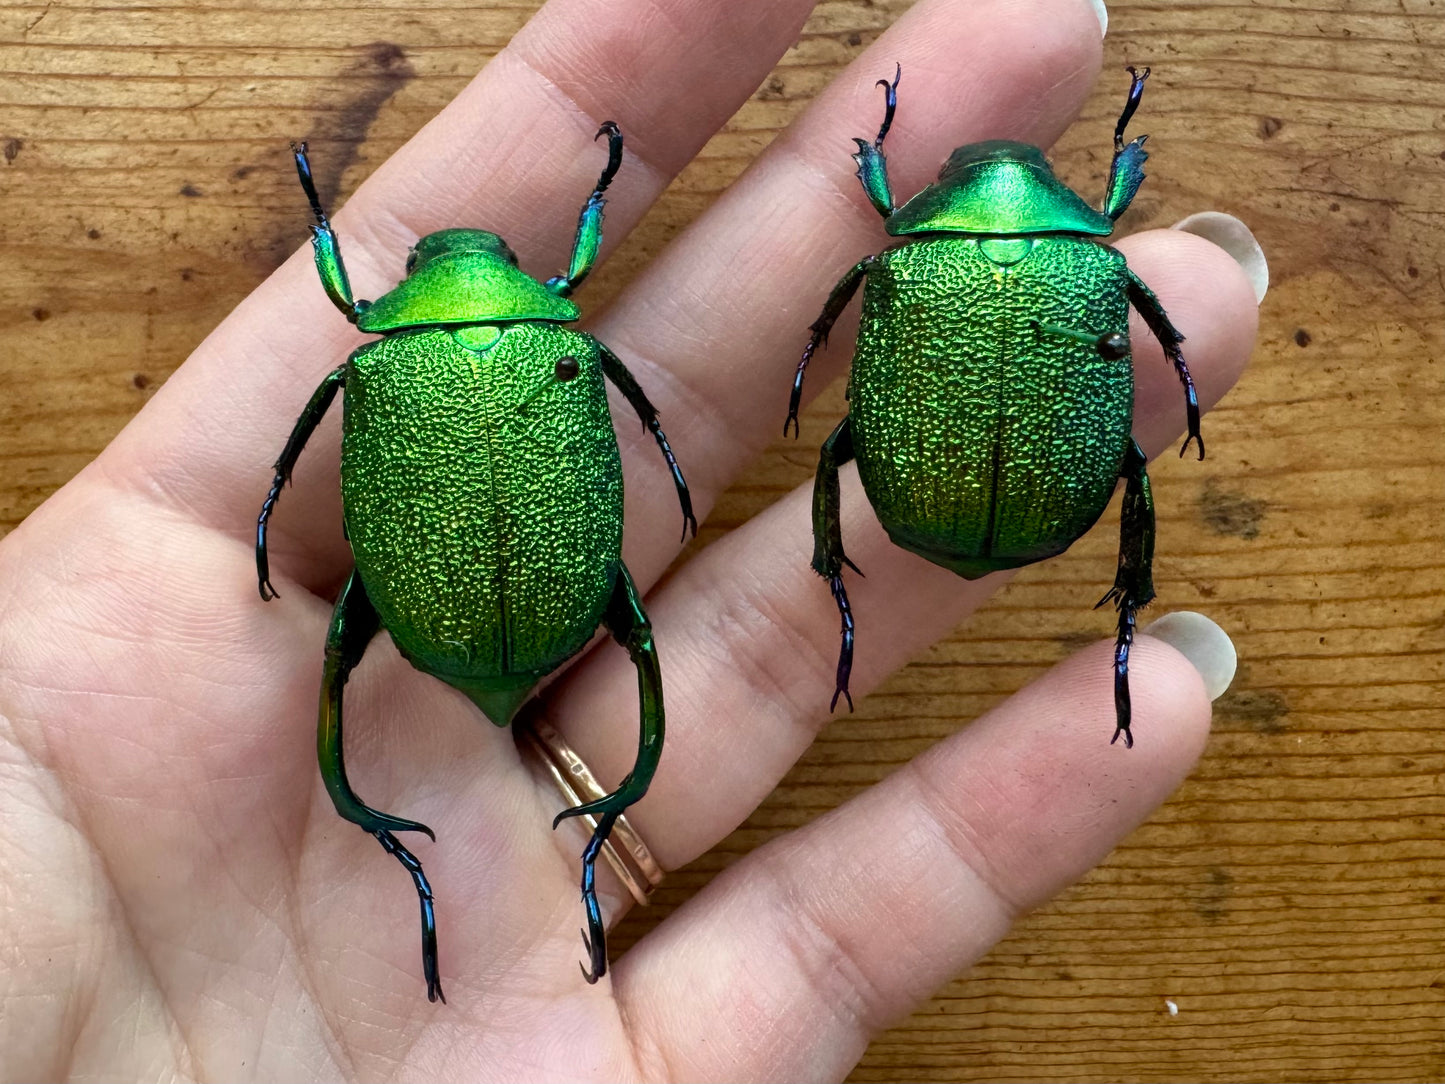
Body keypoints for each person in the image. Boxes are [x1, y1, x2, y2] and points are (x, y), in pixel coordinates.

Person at [0, 0, 1263, 1076]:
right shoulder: (564, 339)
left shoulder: (378, 358)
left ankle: (443, 831)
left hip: (454, 604)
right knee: (683, 611)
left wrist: (294, 454)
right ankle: (586, 815)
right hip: (579, 578)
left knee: (371, 646)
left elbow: (321, 369)